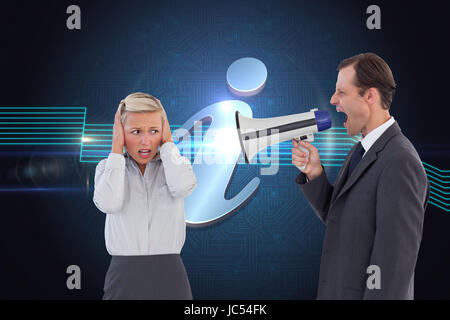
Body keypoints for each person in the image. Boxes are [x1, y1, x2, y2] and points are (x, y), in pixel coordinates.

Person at [292, 53, 430, 299]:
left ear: (370, 96)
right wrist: (316, 174)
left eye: (341, 92)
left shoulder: (401, 161)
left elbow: (393, 270)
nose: (333, 100)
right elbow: (344, 221)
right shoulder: (361, 149)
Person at [93, 92, 197, 299]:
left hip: (170, 276)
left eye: (154, 131)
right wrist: (115, 148)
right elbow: (109, 203)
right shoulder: (108, 168)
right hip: (123, 276)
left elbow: (183, 187)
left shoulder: (176, 165)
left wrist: (168, 142)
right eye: (136, 131)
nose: (145, 140)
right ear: (121, 133)